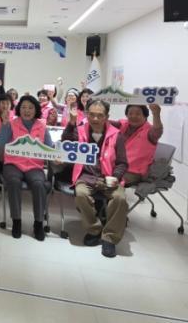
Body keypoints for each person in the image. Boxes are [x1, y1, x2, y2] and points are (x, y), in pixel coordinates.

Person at [61, 100, 128, 258]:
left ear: (107, 117)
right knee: (81, 194)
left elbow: (122, 163)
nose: (95, 119)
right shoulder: (80, 130)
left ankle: (109, 238)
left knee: (120, 198)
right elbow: (66, 142)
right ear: (86, 115)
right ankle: (94, 230)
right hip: (86, 176)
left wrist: (115, 177)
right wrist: (71, 122)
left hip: (108, 177)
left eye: (100, 115)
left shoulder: (116, 135)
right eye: (91, 114)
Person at [0, 95, 53, 240]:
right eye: (23, 107)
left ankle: (38, 223)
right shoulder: (12, 123)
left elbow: (50, 147)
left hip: (34, 165)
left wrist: (57, 156)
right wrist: (4, 124)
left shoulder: (42, 126)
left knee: (39, 184)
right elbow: (1, 142)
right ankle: (16, 221)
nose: (26, 111)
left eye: (30, 108)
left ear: (36, 110)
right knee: (13, 182)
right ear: (18, 109)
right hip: (13, 163)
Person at [110, 104, 163, 185]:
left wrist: (156, 114)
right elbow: (104, 122)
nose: (133, 116)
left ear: (145, 116)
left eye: (138, 114)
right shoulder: (123, 124)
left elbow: (157, 130)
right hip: (117, 167)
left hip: (133, 172)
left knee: (111, 183)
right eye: (130, 113)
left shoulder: (150, 132)